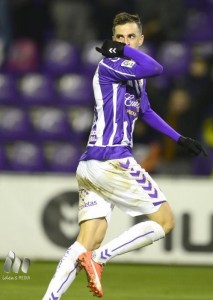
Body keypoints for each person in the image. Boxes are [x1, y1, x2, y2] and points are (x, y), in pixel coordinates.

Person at [42, 12, 206, 300]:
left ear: (141, 39)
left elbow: (147, 111)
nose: (125, 42)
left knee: (85, 242)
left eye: (131, 37)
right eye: (120, 38)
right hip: (112, 160)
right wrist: (121, 51)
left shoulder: (134, 75)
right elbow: (156, 67)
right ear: (113, 41)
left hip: (90, 166)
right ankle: (101, 258)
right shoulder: (110, 64)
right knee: (165, 221)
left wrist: (179, 138)